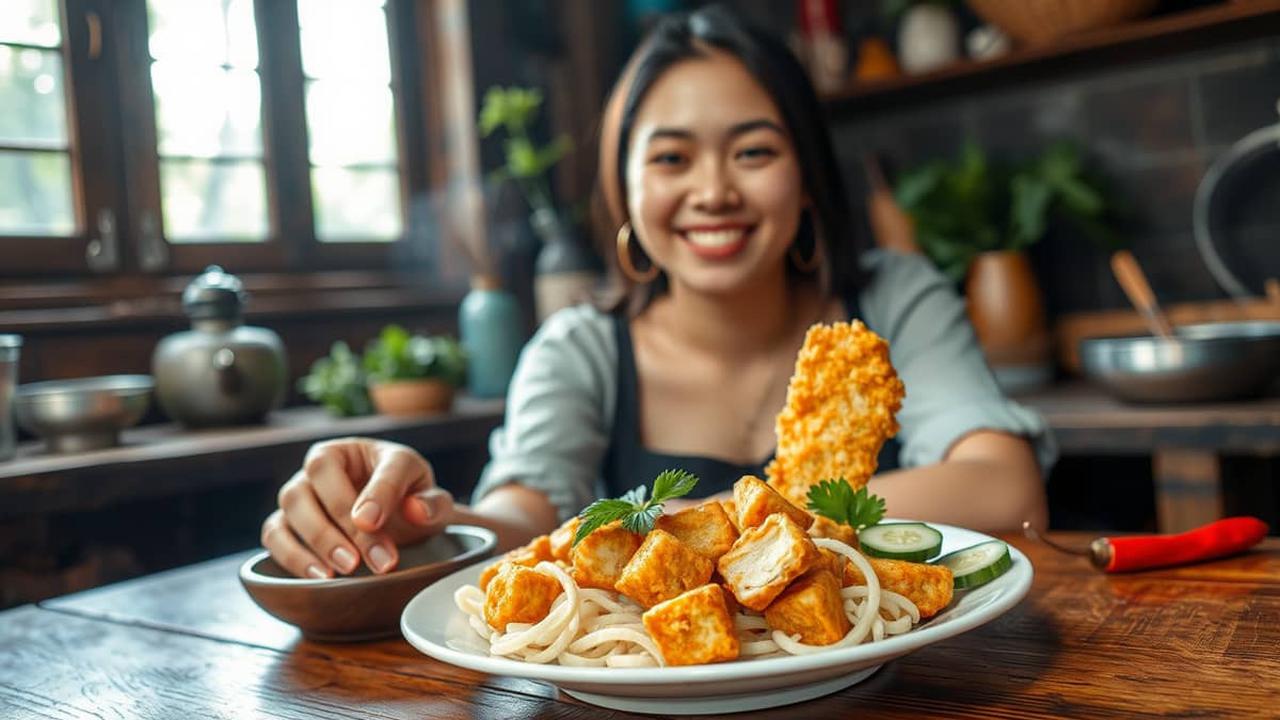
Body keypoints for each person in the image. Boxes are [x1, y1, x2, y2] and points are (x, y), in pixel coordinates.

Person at [260, 6, 1055, 580]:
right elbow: (524, 524)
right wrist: (424, 519)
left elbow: (1004, 488)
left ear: (809, 177)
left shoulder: (892, 299)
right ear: (625, 189)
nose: (713, 192)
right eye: (672, 159)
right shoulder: (580, 347)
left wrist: (706, 521)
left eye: (753, 151)